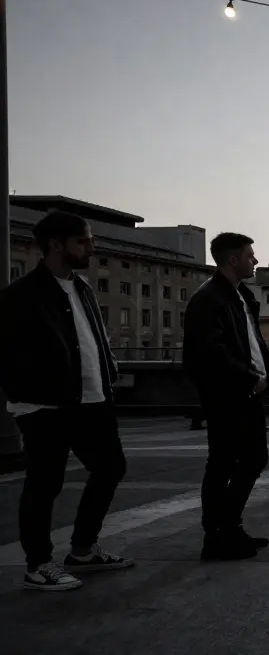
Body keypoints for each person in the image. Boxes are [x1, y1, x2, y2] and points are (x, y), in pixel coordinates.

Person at [0, 211, 132, 592]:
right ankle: (39, 564)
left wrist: (108, 369)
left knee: (111, 467)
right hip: (45, 406)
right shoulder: (22, 294)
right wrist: (29, 391)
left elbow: (90, 338)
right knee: (45, 482)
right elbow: (6, 355)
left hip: (92, 399)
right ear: (56, 245)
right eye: (83, 241)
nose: (92, 247)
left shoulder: (82, 287)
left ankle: (83, 550)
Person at [183, 232, 269, 561]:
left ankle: (228, 526)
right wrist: (249, 377)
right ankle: (216, 535)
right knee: (224, 462)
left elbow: (252, 340)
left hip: (247, 391)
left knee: (252, 459)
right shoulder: (208, 299)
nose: (255, 260)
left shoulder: (240, 295)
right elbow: (211, 351)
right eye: (250, 255)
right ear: (232, 259)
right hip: (226, 394)